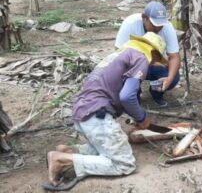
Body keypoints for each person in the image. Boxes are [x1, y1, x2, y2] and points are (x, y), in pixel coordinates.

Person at [42, 32, 167, 191]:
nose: (153, 64)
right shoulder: (141, 57)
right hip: (97, 114)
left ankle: (68, 151)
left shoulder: (120, 54)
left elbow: (113, 89)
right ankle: (62, 160)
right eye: (156, 60)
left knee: (104, 148)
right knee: (124, 163)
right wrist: (142, 118)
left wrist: (133, 115)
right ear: (153, 52)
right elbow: (127, 96)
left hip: (84, 110)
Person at [115, 1, 180, 106]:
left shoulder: (167, 27)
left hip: (154, 65)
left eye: (161, 25)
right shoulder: (130, 23)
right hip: (132, 65)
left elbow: (174, 57)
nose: (158, 29)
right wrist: (148, 63)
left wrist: (169, 78)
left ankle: (157, 93)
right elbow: (118, 54)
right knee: (121, 74)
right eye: (154, 25)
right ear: (144, 18)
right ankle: (135, 94)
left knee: (173, 76)